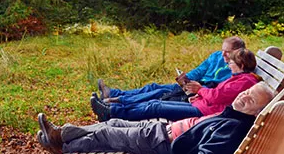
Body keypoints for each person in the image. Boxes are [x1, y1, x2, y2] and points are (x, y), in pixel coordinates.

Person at [36, 81, 275, 154]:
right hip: (163, 129)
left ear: (257, 112)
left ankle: (62, 147)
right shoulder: (233, 114)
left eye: (251, 99)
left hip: (163, 144)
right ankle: (62, 134)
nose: (244, 96)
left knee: (108, 135)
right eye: (246, 92)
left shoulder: (233, 129)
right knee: (112, 124)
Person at [91, 48, 260, 122]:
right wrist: (198, 92)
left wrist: (200, 89)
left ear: (242, 65)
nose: (228, 63)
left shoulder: (244, 81)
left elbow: (217, 96)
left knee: (155, 106)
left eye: (231, 61)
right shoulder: (240, 77)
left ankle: (112, 111)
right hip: (200, 103)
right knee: (155, 100)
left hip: (203, 111)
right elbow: (216, 93)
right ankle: (113, 106)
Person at [97, 36, 246, 105]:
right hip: (194, 84)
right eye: (222, 50)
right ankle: (113, 93)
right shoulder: (216, 56)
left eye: (227, 52)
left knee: (159, 93)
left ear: (238, 52)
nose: (223, 54)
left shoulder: (237, 68)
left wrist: (198, 88)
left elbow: (221, 90)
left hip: (201, 91)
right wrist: (185, 77)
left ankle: (116, 101)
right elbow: (200, 70)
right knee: (154, 86)